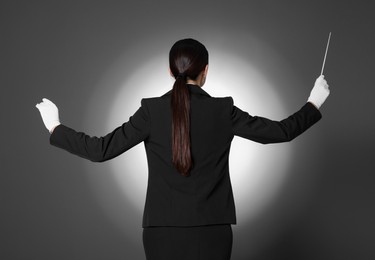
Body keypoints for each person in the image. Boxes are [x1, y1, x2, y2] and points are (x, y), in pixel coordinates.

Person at [36, 38, 330, 260]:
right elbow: (280, 132)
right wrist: (313, 103)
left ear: (169, 70)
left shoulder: (151, 111)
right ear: (205, 71)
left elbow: (100, 150)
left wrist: (55, 127)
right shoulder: (222, 110)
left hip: (161, 233)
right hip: (213, 232)